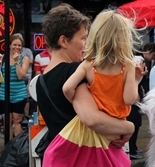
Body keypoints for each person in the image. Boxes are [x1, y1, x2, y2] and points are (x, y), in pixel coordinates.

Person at [35, 4, 139, 166]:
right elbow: (92, 119)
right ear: (63, 41)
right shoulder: (75, 72)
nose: (86, 44)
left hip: (63, 159)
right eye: (83, 38)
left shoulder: (40, 82)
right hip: (89, 158)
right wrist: (129, 127)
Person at [62, 10, 145, 140]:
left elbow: (67, 88)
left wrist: (76, 104)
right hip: (117, 127)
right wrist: (136, 79)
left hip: (95, 130)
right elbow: (129, 99)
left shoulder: (88, 65)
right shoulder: (127, 65)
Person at [0, 33, 29, 140]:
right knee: (7, 122)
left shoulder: (25, 59)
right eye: (15, 45)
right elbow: (0, 75)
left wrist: (16, 62)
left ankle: (18, 148)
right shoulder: (4, 57)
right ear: (10, 45)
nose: (17, 47)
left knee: (17, 120)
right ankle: (8, 148)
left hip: (19, 94)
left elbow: (21, 76)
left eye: (19, 45)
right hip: (4, 94)